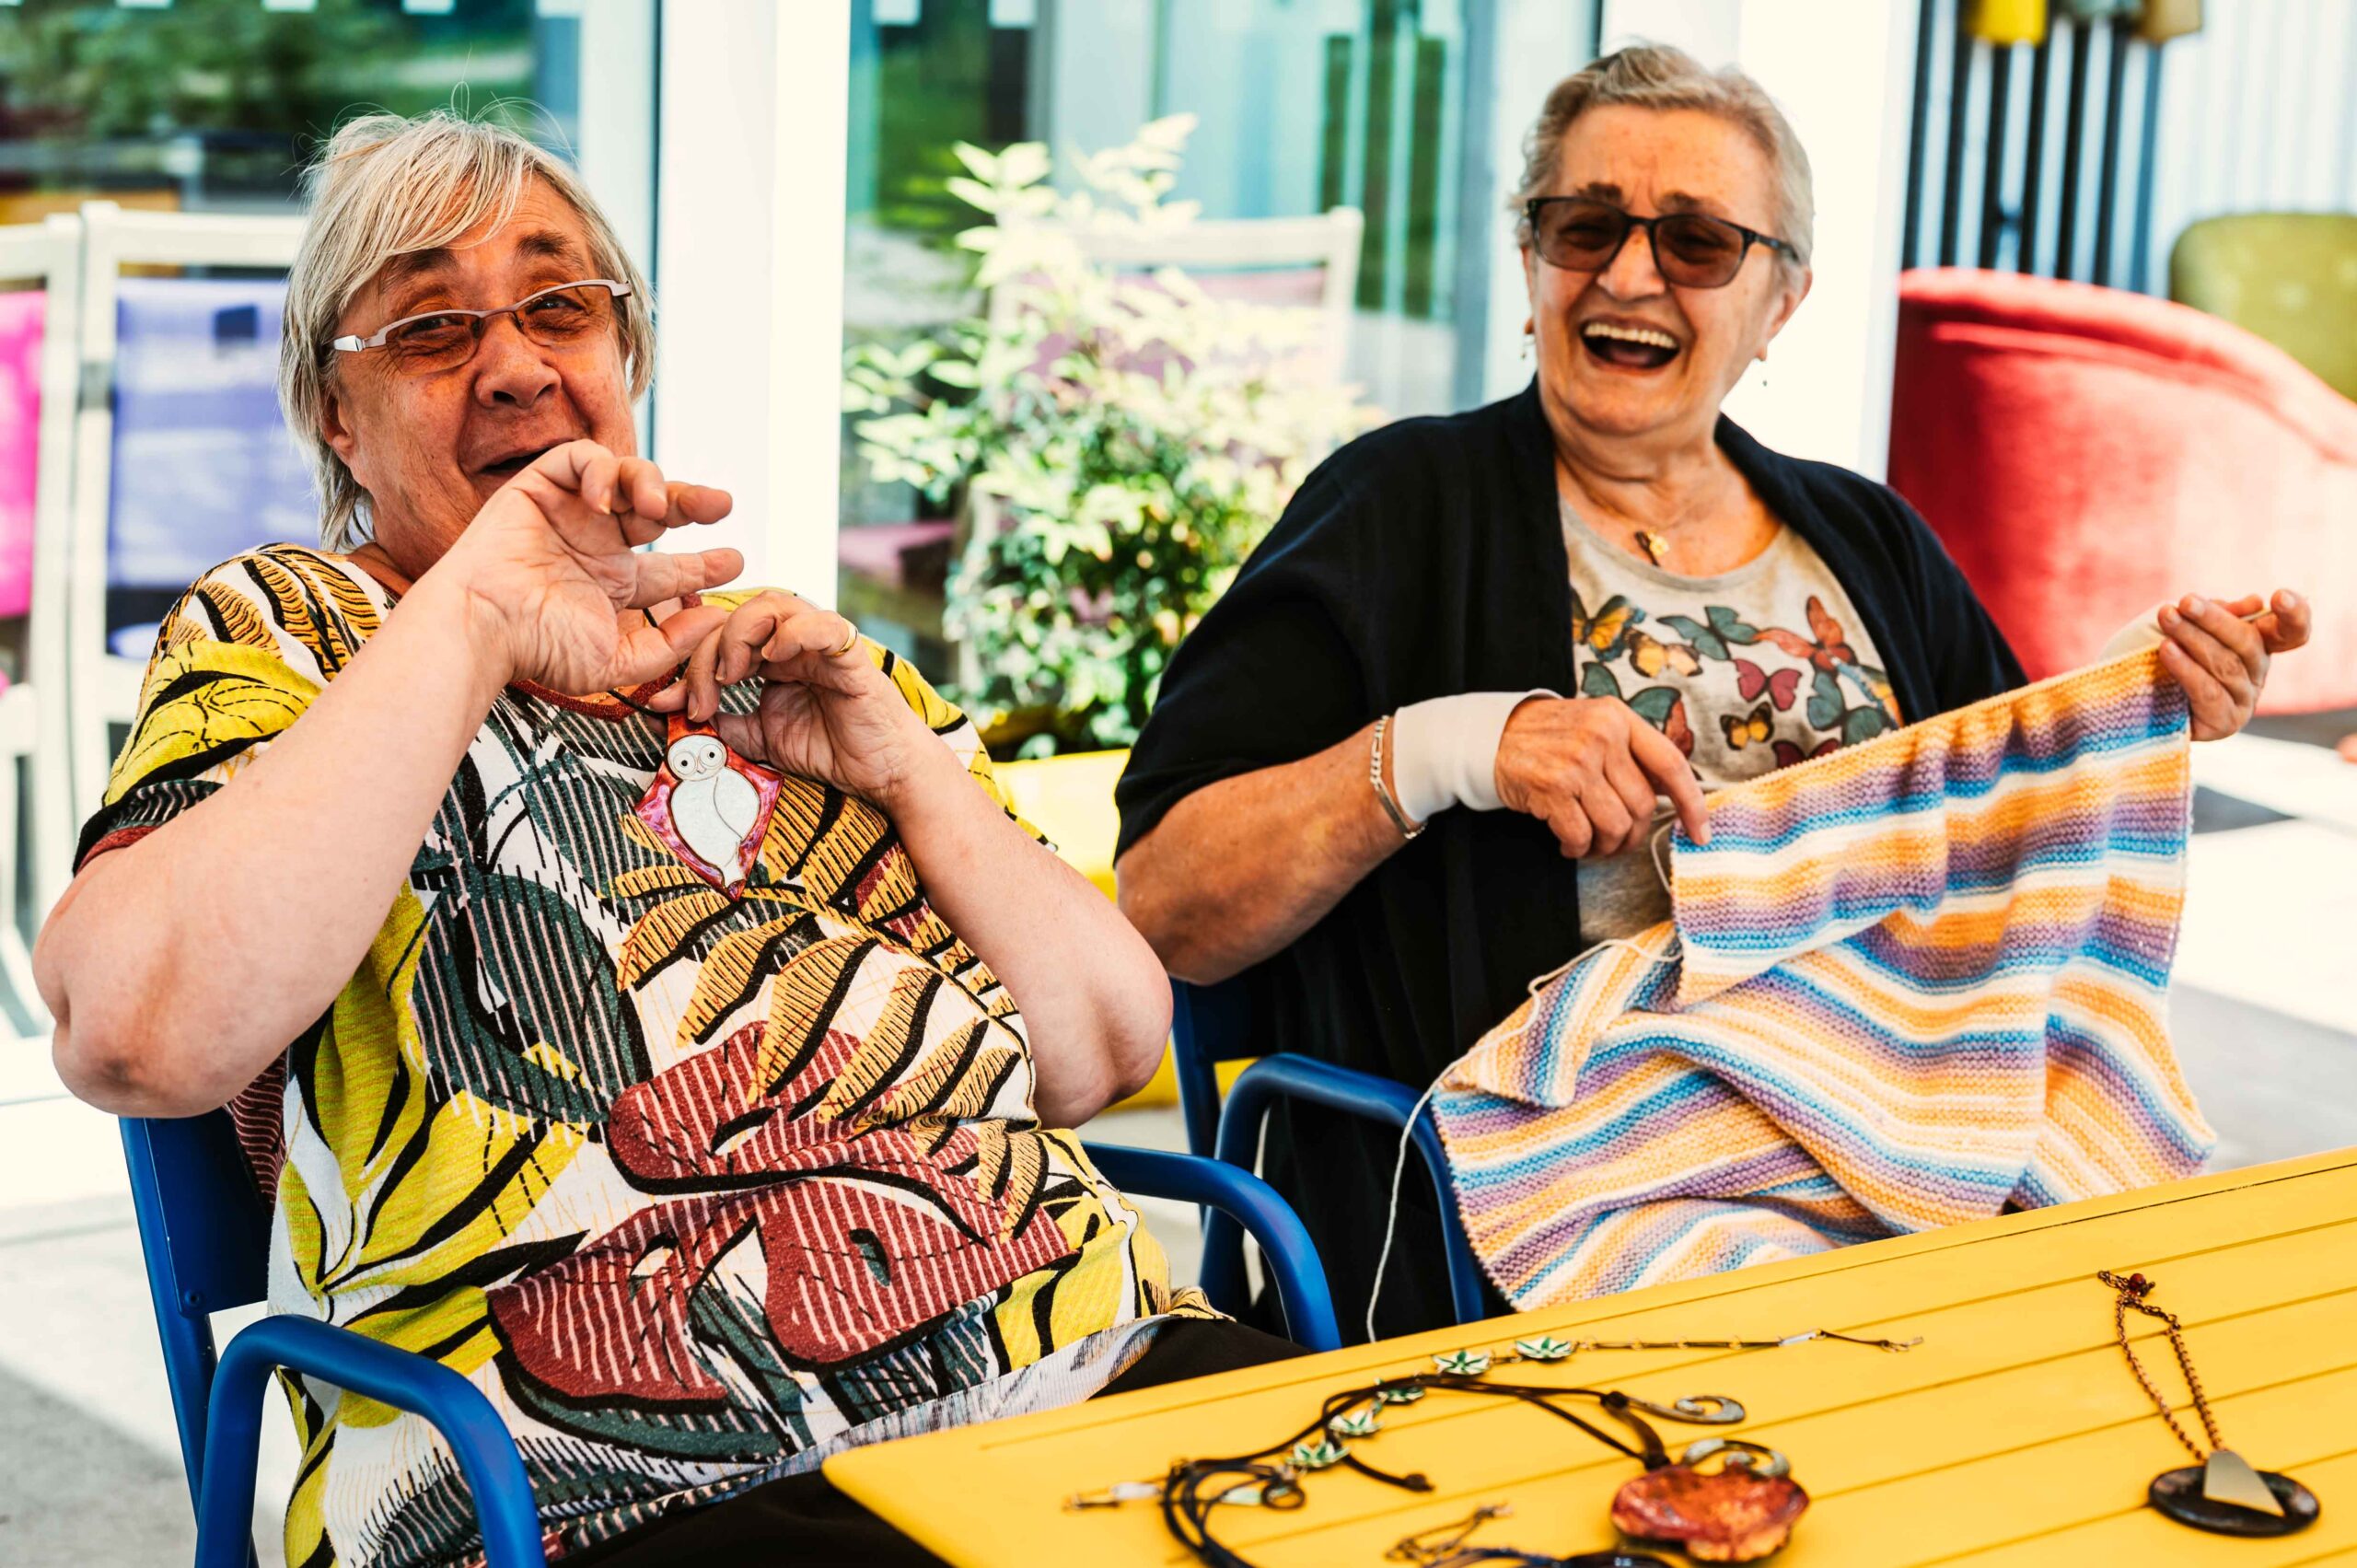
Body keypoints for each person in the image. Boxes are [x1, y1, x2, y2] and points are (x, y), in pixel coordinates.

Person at [34, 111, 1296, 1568]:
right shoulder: (300, 633)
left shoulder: (794, 663)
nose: (515, 364)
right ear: (337, 412)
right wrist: (479, 615)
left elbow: (1108, 1047)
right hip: (623, 1483)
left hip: (1083, 1376)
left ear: (623, 354)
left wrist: (905, 770)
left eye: (560, 305)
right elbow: (135, 1031)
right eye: (433, 327)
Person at [1114, 44, 2310, 1341]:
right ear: (1530, 259)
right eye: (1585, 226)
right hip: (1550, 1202)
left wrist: (2129, 694)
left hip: (1907, 1152)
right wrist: (1450, 750)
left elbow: (2005, 852)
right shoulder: (1396, 511)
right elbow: (1167, 908)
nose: (1629, 276)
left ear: (1781, 299)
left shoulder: (1870, 538)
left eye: (1696, 242)